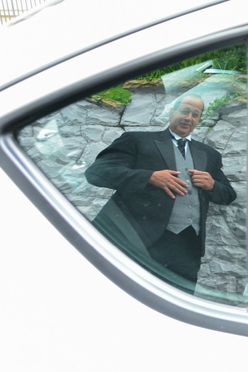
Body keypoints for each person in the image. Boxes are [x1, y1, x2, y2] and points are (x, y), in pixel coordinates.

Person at [86, 94, 236, 293]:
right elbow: (96, 173)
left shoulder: (209, 155)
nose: (188, 118)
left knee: (182, 305)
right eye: (184, 111)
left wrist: (212, 185)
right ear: (172, 111)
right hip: (137, 242)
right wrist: (149, 177)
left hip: (187, 249)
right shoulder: (137, 140)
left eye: (195, 114)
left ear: (199, 119)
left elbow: (228, 194)